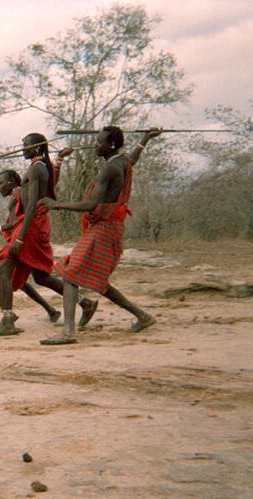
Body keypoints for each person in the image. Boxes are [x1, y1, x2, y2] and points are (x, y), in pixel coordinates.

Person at [38, 126, 161, 345]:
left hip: (103, 228)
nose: (96, 145)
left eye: (99, 142)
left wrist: (56, 204)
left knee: (70, 274)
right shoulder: (121, 162)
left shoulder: (110, 169)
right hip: (108, 227)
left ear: (110, 145)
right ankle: (143, 316)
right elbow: (133, 158)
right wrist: (145, 138)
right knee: (97, 280)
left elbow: (90, 204)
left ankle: (68, 332)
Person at [0, 133, 98, 336]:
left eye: (25, 145)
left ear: (36, 147)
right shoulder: (39, 166)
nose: (22, 149)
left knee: (3, 270)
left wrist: (19, 238)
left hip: (32, 227)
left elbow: (33, 206)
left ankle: (8, 319)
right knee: (42, 277)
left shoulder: (37, 168)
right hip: (34, 225)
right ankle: (84, 302)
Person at [0, 167, 61, 323]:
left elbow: (23, 218)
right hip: (27, 237)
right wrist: (0, 228)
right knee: (34, 278)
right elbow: (18, 219)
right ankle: (69, 305)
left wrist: (15, 237)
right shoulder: (20, 193)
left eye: (1, 183)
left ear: (10, 182)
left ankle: (8, 316)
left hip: (25, 238)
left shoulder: (19, 192)